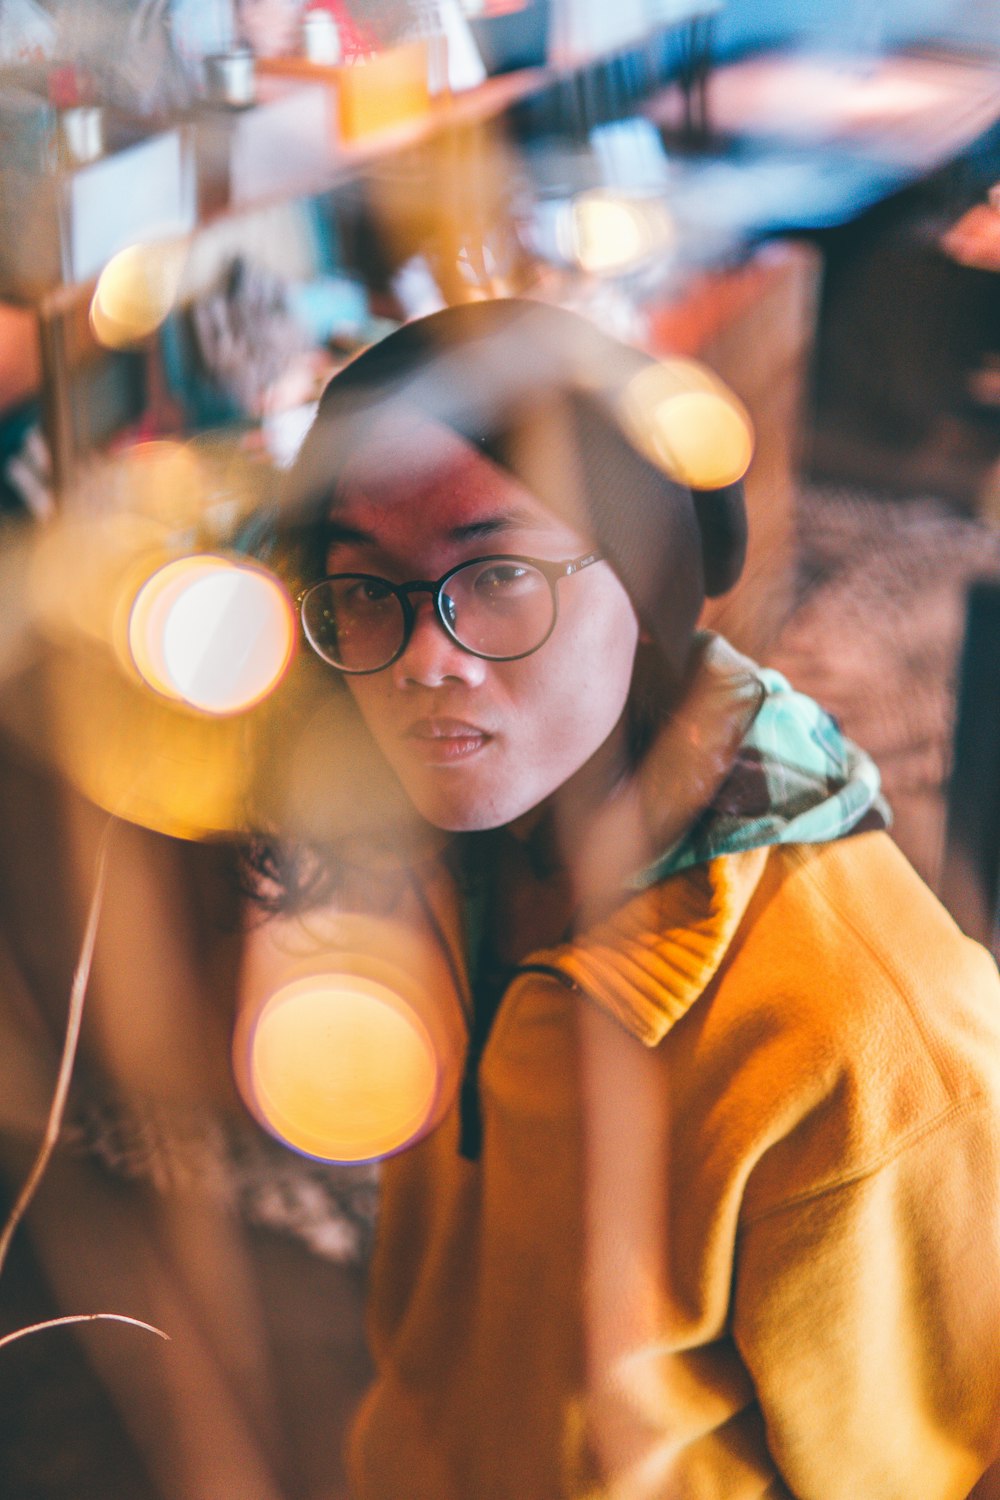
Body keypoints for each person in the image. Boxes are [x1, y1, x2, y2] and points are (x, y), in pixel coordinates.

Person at [244, 298, 1000, 1499]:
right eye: (366, 587)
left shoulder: (869, 1044)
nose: (422, 656)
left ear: (647, 574)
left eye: (494, 576)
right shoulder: (456, 845)